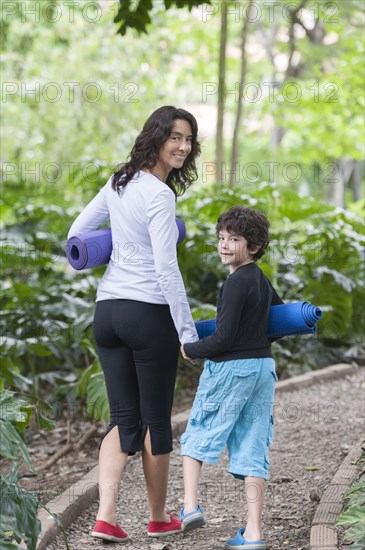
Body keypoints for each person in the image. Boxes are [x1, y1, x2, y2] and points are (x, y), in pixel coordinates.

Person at [67, 106, 201, 543]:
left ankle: (106, 516)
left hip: (107, 313)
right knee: (155, 421)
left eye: (189, 140)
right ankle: (159, 517)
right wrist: (188, 331)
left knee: (123, 420)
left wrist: (120, 248)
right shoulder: (161, 196)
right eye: (175, 138)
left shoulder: (118, 181)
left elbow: (78, 232)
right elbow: (166, 270)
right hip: (147, 315)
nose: (183, 147)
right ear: (157, 137)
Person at [179, 205, 283, 550]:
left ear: (253, 246)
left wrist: (191, 349)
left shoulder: (235, 283)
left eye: (234, 239)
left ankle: (190, 506)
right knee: (254, 443)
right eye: (221, 238)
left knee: (199, 432)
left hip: (231, 369)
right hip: (262, 369)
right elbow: (278, 322)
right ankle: (253, 534)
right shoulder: (260, 278)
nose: (224, 245)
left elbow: (222, 339)